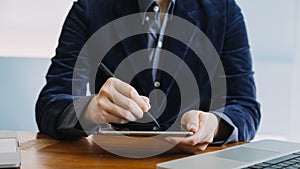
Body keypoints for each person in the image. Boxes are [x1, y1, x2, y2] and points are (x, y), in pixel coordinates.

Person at [36, 0, 261, 153]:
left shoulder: (223, 10)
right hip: (114, 161)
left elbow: (245, 107)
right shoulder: (90, 7)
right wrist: (90, 110)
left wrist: (213, 125)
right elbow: (50, 103)